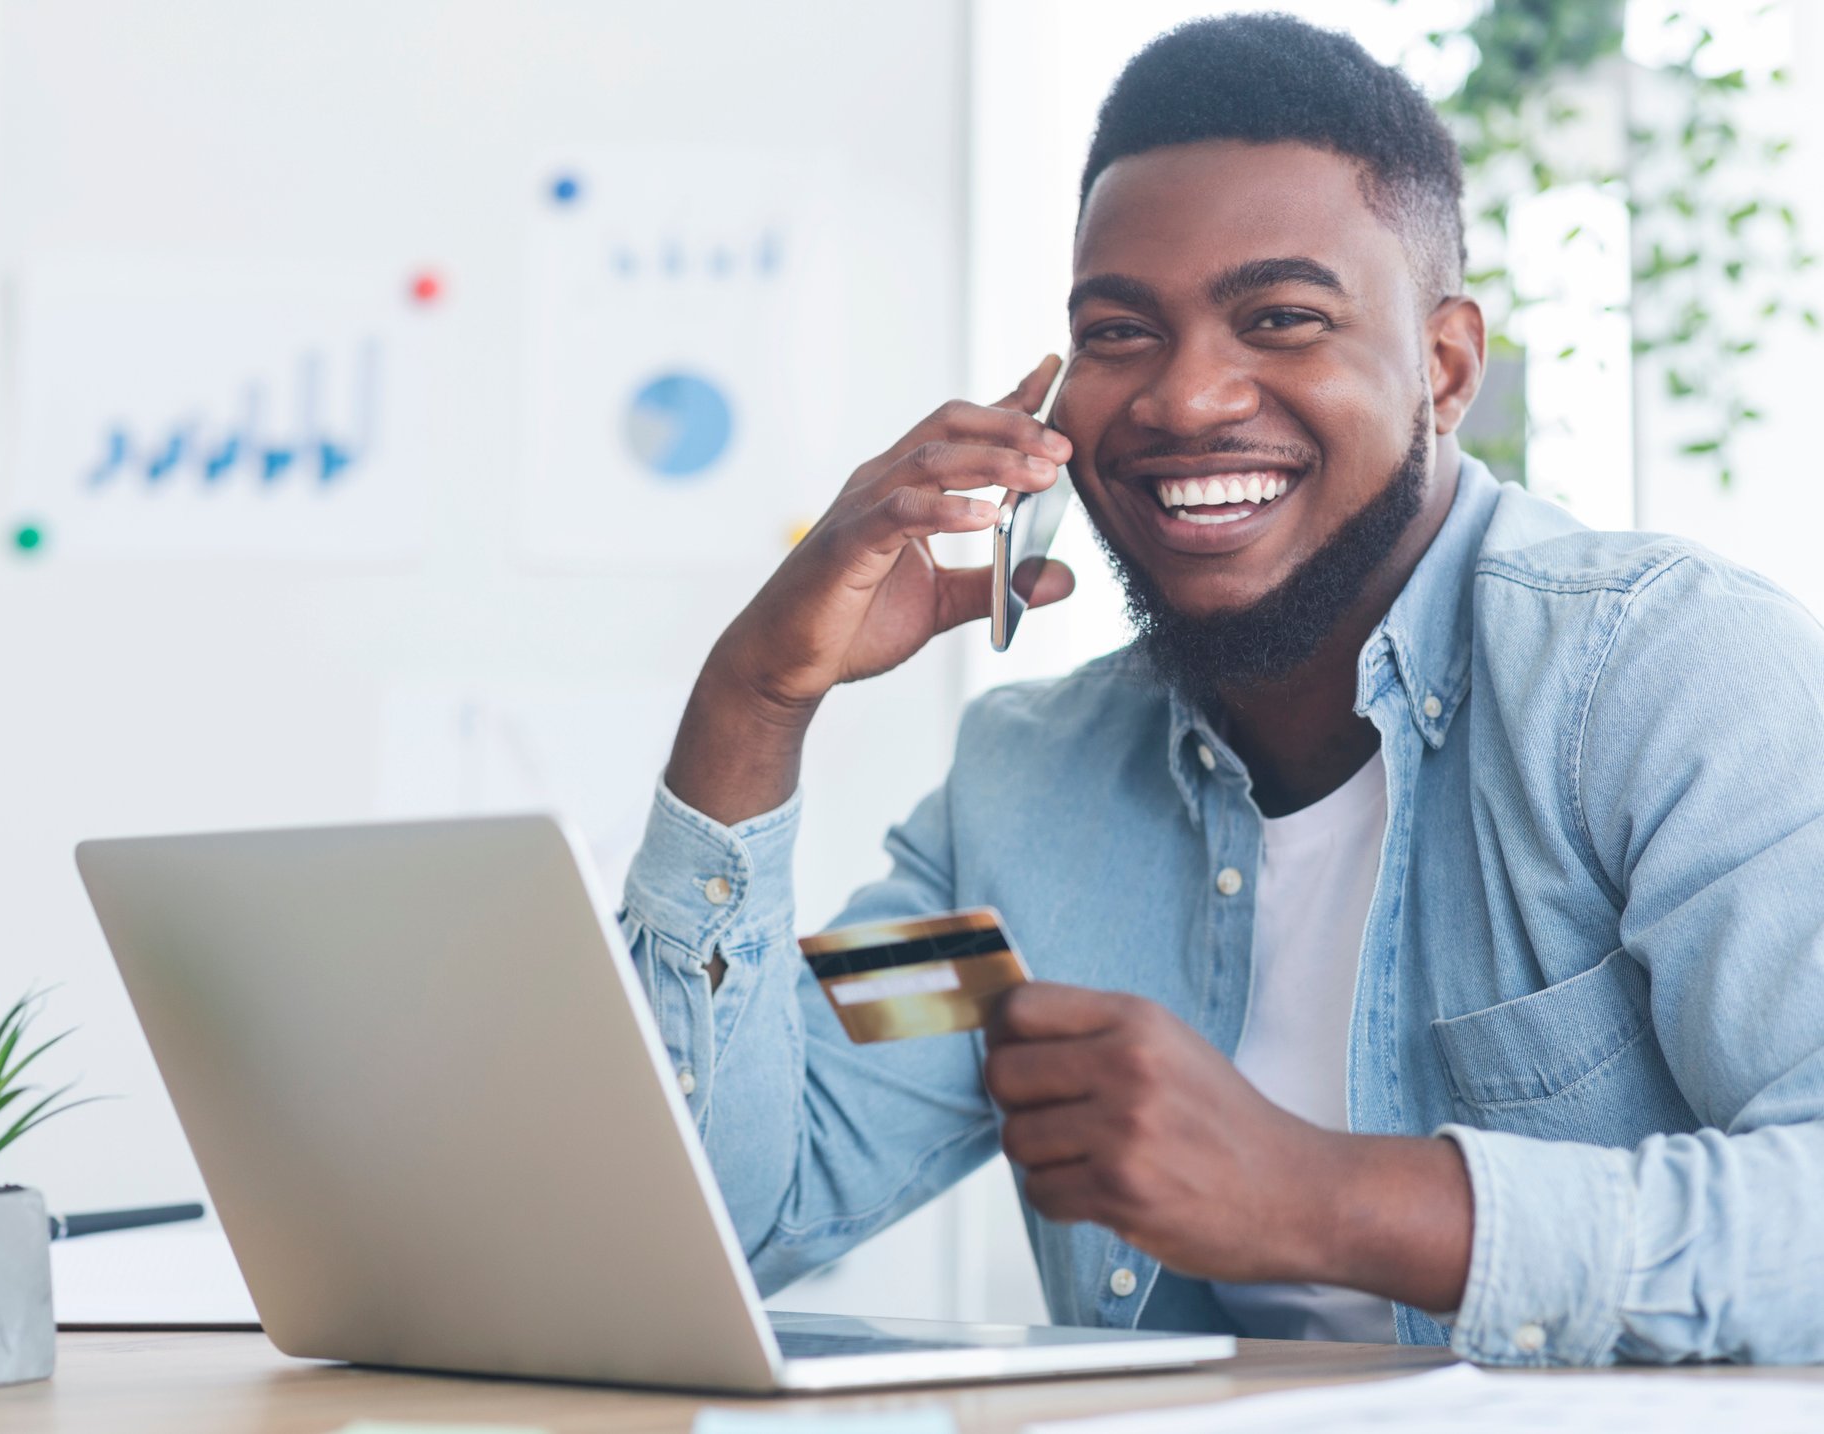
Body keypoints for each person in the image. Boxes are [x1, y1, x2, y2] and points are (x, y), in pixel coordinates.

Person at [615, 12, 1824, 1365]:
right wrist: (753, 703)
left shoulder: (1664, 679)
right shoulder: (1024, 809)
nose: (1188, 397)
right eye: (1120, 331)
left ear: (1446, 366)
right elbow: (722, 1212)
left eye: (1281, 318)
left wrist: (1322, 1197)